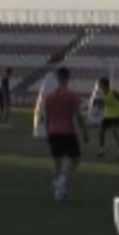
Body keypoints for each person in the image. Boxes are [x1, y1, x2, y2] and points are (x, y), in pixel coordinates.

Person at [44, 67, 89, 202]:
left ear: (58, 78)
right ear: (68, 78)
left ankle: (59, 193)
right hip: (67, 132)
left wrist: (47, 132)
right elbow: (78, 115)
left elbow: (47, 116)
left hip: (53, 131)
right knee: (76, 159)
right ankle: (62, 181)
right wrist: (84, 131)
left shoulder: (49, 97)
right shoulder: (71, 96)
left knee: (57, 161)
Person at [97, 77, 119, 159]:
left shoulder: (114, 92)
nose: (99, 85)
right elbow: (104, 102)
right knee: (101, 132)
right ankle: (101, 151)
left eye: (100, 84)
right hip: (107, 115)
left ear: (105, 84)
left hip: (115, 115)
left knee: (114, 133)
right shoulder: (101, 92)